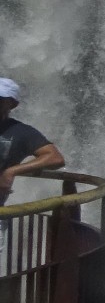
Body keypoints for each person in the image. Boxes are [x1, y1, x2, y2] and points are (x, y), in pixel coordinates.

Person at [0, 79, 65, 207]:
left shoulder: (21, 132)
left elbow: (55, 158)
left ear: (12, 104)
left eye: (0, 99)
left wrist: (11, 171)